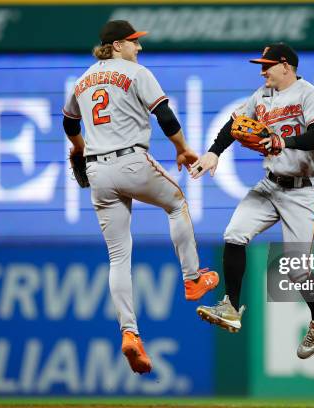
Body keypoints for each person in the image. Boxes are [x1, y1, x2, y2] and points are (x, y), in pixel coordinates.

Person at [62, 20, 219, 374]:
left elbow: (70, 123)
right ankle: (193, 278)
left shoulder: (82, 80)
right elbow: (164, 115)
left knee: (118, 257)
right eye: (133, 42)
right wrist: (182, 148)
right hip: (131, 159)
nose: (139, 48)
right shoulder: (136, 72)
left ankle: (130, 333)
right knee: (176, 203)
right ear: (117, 45)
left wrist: (79, 149)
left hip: (98, 172)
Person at [189, 43, 314, 359]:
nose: (262, 70)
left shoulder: (310, 94)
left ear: (286, 66)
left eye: (267, 65)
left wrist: (285, 140)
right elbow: (235, 125)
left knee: (297, 271)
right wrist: (214, 152)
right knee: (234, 234)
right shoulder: (262, 96)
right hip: (270, 185)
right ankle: (230, 307)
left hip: (305, 190)